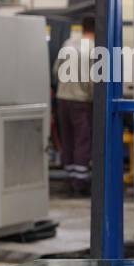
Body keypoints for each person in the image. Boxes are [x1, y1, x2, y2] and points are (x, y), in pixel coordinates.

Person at [55, 15, 94, 196]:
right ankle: (80, 181)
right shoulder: (94, 49)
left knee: (68, 139)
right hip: (81, 101)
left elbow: (56, 70)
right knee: (82, 141)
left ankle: (69, 178)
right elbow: (95, 81)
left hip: (62, 98)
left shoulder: (68, 43)